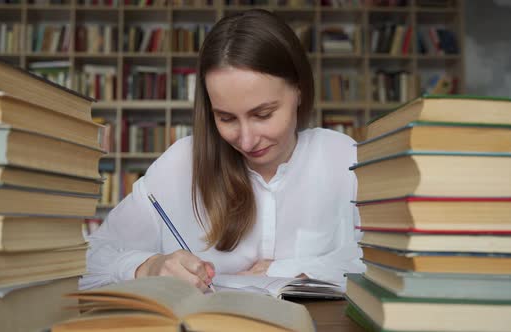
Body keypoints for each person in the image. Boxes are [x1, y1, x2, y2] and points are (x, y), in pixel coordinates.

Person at [81, 9, 365, 292]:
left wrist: (286, 269)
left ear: (299, 91)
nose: (246, 140)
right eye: (226, 118)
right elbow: (88, 259)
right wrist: (147, 267)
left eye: (263, 114)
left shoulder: (345, 159)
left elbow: (394, 264)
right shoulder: (180, 164)